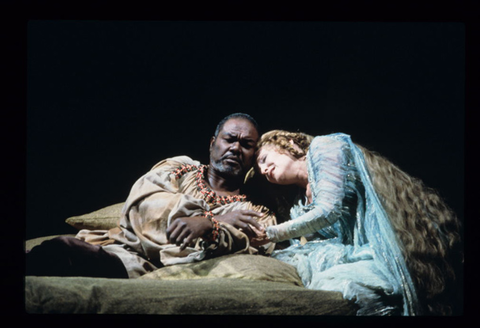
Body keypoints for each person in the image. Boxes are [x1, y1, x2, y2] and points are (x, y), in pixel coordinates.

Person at [26, 113, 276, 279]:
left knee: (70, 254)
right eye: (229, 139)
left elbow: (249, 243)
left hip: (147, 267)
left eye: (246, 144)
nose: (235, 148)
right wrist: (214, 220)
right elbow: (145, 205)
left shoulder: (254, 209)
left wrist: (207, 226)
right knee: (61, 247)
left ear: (254, 155)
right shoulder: (179, 168)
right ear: (213, 144)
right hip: (123, 247)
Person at [254, 130, 462, 316]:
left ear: (288, 142)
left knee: (342, 283)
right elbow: (314, 246)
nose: (264, 170)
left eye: (264, 159)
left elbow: (328, 211)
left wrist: (272, 233)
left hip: (380, 250)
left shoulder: (325, 147)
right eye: (260, 169)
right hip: (354, 255)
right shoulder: (298, 207)